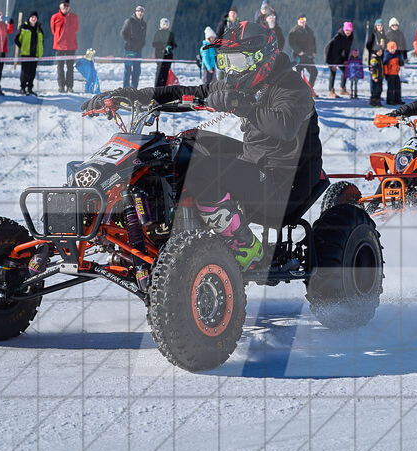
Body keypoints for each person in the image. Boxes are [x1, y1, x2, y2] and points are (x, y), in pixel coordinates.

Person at [81, 20, 323, 272]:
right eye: (225, 62)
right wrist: (130, 95)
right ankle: (160, 232)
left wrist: (241, 106)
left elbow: (284, 127)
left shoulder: (292, 86)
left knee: (203, 171)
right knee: (182, 146)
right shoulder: (242, 84)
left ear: (261, 58)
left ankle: (246, 247)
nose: (231, 71)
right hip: (257, 163)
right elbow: (183, 91)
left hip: (286, 184)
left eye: (237, 62)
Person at [50, 0, 79, 92]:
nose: (65, 8)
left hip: (71, 45)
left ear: (69, 7)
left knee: (70, 67)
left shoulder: (74, 17)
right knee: (60, 67)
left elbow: (76, 29)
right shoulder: (55, 17)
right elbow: (53, 30)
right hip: (59, 46)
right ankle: (61, 86)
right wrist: (59, 38)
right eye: (63, 6)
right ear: (60, 7)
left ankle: (70, 86)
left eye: (67, 6)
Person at [15, 11, 44, 96]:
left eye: (35, 17)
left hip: (35, 54)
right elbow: (17, 39)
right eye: (32, 17)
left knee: (32, 72)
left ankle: (30, 88)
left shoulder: (39, 29)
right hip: (26, 54)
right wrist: (22, 47)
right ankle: (23, 88)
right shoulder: (23, 27)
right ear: (29, 18)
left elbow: (42, 41)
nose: (33, 19)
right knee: (25, 72)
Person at [120, 4, 147, 89]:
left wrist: (142, 44)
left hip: (138, 50)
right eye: (138, 11)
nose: (140, 13)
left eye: (142, 11)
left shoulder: (144, 24)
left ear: (143, 13)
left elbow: (143, 37)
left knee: (137, 71)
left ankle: (134, 88)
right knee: (128, 70)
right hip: (129, 50)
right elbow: (123, 33)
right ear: (136, 12)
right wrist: (129, 43)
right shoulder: (129, 21)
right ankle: (125, 88)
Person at [287, 14, 318, 88]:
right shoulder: (294, 31)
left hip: (308, 56)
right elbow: (291, 43)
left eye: (304, 20)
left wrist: (314, 51)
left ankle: (309, 89)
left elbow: (313, 41)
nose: (302, 21)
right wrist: (299, 51)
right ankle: (298, 90)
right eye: (300, 20)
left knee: (314, 72)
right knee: (298, 74)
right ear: (297, 21)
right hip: (299, 56)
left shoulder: (309, 30)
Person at [325, 21, 353, 98]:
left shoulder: (350, 37)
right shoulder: (338, 37)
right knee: (333, 71)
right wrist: (334, 64)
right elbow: (334, 51)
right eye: (347, 30)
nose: (348, 32)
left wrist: (345, 60)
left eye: (350, 30)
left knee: (345, 69)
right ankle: (331, 90)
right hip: (330, 54)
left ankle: (342, 89)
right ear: (344, 30)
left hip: (338, 55)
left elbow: (347, 49)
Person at [365, 19, 388, 106]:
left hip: (381, 58)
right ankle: (373, 97)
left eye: (381, 25)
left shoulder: (384, 35)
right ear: (375, 26)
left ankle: (377, 97)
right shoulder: (373, 35)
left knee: (379, 80)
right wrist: (376, 49)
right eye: (378, 25)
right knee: (374, 78)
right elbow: (368, 45)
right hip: (374, 58)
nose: (380, 27)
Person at [152, 17, 176, 87]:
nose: (165, 26)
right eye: (164, 24)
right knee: (159, 73)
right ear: (161, 25)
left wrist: (170, 47)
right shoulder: (158, 33)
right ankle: (157, 88)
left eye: (166, 24)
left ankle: (164, 88)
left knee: (166, 73)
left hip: (168, 57)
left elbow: (174, 44)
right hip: (159, 55)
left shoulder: (171, 34)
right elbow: (154, 44)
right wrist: (163, 46)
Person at [383, 40, 402, 105]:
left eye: (394, 49)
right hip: (390, 74)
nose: (393, 50)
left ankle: (398, 100)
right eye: (391, 49)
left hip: (396, 73)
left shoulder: (396, 55)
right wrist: (386, 74)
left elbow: (399, 63)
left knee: (398, 87)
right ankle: (390, 101)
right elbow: (385, 65)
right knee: (391, 88)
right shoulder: (387, 55)